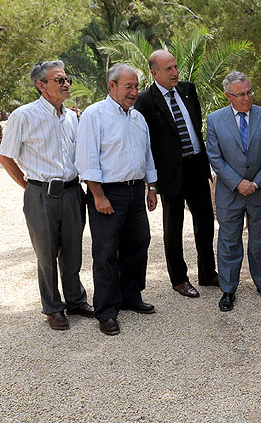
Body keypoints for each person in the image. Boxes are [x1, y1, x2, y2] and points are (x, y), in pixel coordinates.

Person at [0, 60, 93, 331]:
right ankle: (53, 307)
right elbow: (5, 157)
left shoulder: (72, 118)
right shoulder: (23, 116)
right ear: (41, 85)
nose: (66, 84)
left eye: (66, 79)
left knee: (73, 252)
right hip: (41, 195)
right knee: (46, 254)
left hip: (74, 192)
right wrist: (30, 188)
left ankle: (76, 300)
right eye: (59, 80)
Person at [75, 64, 158, 336]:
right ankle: (107, 311)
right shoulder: (94, 115)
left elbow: (147, 155)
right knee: (107, 252)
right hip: (108, 193)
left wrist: (151, 187)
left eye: (136, 86)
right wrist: (98, 195)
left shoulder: (138, 118)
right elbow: (87, 158)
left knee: (139, 242)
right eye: (128, 87)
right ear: (111, 86)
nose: (134, 92)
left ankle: (131, 295)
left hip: (136, 191)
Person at [135, 50, 218, 299]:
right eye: (168, 69)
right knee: (174, 229)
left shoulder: (188, 89)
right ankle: (179, 279)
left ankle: (207, 272)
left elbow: (195, 125)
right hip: (170, 174)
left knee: (205, 223)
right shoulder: (145, 101)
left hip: (196, 167)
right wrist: (151, 182)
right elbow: (146, 142)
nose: (175, 72)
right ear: (154, 73)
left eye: (175, 67)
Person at [206, 71, 261, 312]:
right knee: (228, 241)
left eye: (249, 92)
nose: (247, 98)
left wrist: (256, 183)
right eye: (240, 94)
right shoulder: (215, 120)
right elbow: (215, 157)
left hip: (259, 191)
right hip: (230, 192)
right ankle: (228, 289)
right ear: (228, 95)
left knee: (260, 240)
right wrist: (238, 183)